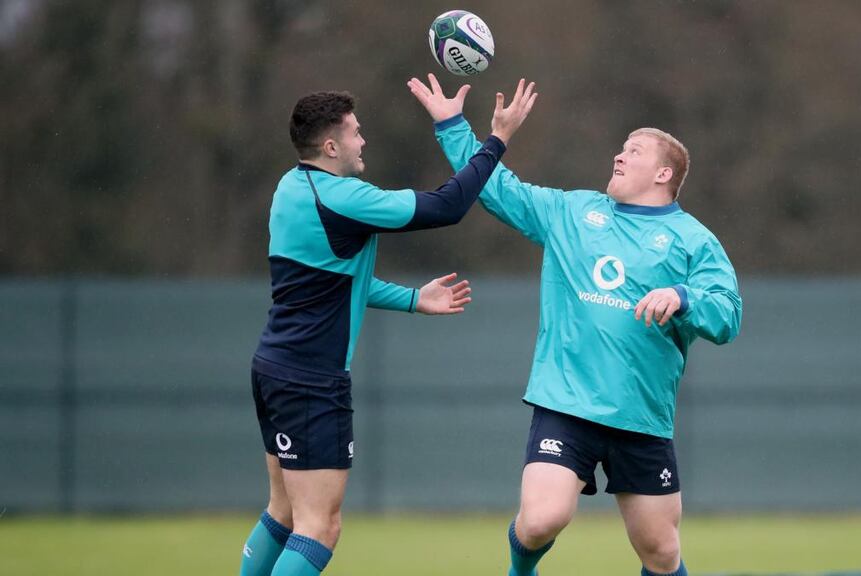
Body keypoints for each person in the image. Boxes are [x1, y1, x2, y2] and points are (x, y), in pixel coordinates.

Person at [408, 73, 742, 576]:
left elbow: (728, 313)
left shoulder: (693, 240)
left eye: (634, 150)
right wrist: (453, 126)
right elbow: (497, 189)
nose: (619, 155)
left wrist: (683, 295)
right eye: (620, 147)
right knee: (543, 518)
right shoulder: (575, 212)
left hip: (641, 418)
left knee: (661, 551)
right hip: (567, 403)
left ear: (663, 174)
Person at [240, 82, 537, 576]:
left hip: (273, 368)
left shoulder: (291, 186)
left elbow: (336, 282)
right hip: (312, 379)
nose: (363, 141)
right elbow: (447, 206)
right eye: (355, 133)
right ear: (330, 147)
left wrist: (414, 300)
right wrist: (496, 141)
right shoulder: (345, 198)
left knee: (285, 512)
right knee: (319, 527)